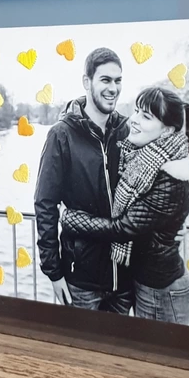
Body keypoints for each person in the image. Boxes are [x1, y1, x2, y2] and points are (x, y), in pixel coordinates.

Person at [59, 87, 189, 325]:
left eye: (146, 117)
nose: (134, 120)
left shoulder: (172, 176)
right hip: (144, 283)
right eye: (136, 111)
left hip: (161, 290)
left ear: (168, 130)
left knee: (158, 359)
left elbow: (123, 228)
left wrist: (71, 219)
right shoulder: (143, 158)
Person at [34, 47, 132, 313]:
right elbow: (45, 204)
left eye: (118, 80)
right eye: (105, 80)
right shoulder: (62, 135)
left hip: (124, 281)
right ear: (87, 82)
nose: (113, 88)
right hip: (81, 282)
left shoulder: (128, 130)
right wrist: (54, 272)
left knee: (117, 353)